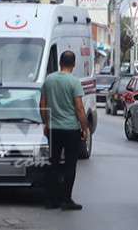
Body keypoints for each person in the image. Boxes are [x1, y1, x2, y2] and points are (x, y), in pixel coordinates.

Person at [39, 50, 90, 211]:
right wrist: (85, 128)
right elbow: (79, 108)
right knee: (70, 165)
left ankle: (51, 200)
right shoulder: (74, 82)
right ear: (74, 64)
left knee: (53, 163)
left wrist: (46, 123)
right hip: (70, 130)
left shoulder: (49, 80)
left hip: (53, 129)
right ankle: (66, 199)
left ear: (60, 63)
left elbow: (42, 105)